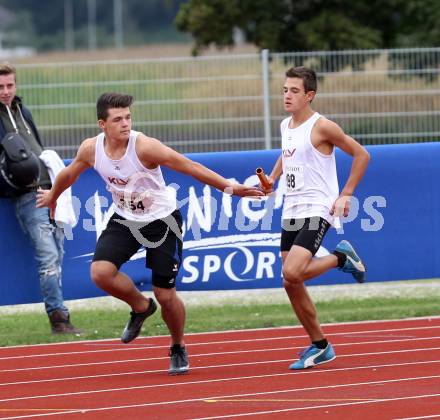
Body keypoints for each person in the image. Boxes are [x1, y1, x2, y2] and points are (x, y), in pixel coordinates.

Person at [37, 92, 263, 375]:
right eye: (117, 119)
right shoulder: (90, 149)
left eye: (128, 117)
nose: (125, 124)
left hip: (162, 221)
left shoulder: (145, 147)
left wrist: (232, 188)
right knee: (100, 273)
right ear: (102, 124)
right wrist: (54, 198)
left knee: (166, 295)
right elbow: (69, 175)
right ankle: (141, 307)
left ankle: (178, 345)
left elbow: (190, 166)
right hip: (126, 219)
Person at [259, 66, 370, 370]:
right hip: (292, 209)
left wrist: (345, 193)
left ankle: (339, 257)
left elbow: (362, 155)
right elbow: (288, 152)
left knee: (293, 273)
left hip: (317, 207)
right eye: (284, 90)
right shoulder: (286, 126)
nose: (287, 95)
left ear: (309, 95)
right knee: (290, 282)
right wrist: (272, 178)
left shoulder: (324, 127)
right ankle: (320, 346)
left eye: (294, 91)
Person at [0, 62, 80, 335]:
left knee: (57, 254)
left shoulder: (25, 111)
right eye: (0, 87)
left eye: (10, 85)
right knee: (48, 257)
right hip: (25, 196)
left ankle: (60, 314)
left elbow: (38, 148)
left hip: (50, 189)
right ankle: (58, 318)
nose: (6, 91)